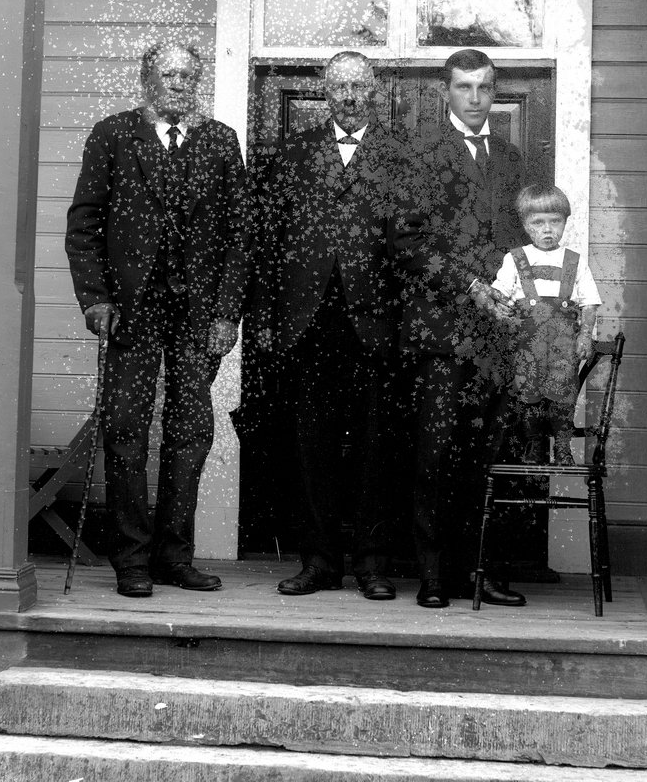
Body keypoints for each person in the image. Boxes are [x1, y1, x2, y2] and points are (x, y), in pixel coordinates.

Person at [65, 42, 251, 598]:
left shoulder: (219, 140)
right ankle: (131, 559)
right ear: (148, 79)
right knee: (126, 430)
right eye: (169, 74)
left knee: (190, 432)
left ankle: (174, 556)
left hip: (197, 315)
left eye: (188, 75)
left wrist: (226, 313)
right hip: (131, 310)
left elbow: (241, 234)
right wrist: (96, 299)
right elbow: (84, 223)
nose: (179, 83)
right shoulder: (113, 134)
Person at [254, 51, 404, 601]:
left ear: (374, 90)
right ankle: (318, 563)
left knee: (374, 449)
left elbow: (414, 244)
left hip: (375, 324)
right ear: (325, 90)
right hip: (307, 322)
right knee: (310, 446)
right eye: (339, 85)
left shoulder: (400, 156)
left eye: (359, 85)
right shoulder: (294, 152)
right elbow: (267, 240)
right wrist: (264, 318)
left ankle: (372, 564)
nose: (349, 95)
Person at [390, 48, 529, 609]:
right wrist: (471, 286)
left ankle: (480, 572)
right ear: (444, 91)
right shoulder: (419, 152)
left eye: (485, 87)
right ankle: (433, 575)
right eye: (464, 87)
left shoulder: (514, 160)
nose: (475, 98)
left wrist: (519, 296)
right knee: (436, 453)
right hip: (441, 332)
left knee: (486, 456)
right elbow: (406, 241)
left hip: (497, 336)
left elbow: (527, 240)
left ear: (496, 91)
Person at [491, 184, 602, 466]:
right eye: (538, 222)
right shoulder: (515, 259)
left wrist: (585, 336)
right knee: (528, 394)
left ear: (565, 222)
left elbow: (589, 303)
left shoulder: (575, 261)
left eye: (555, 221)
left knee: (563, 396)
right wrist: (499, 308)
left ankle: (563, 448)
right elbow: (499, 297)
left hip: (564, 346)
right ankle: (534, 445)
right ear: (526, 225)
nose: (547, 229)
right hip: (526, 345)